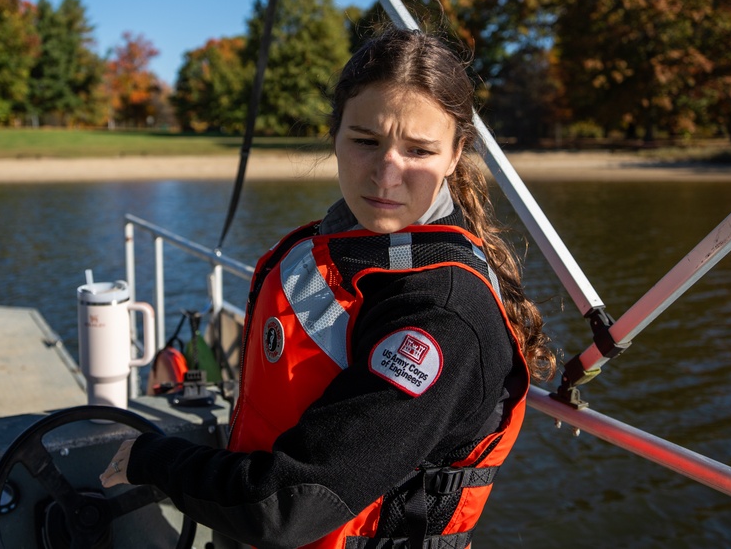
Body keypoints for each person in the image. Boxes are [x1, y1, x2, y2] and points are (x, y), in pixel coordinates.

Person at [100, 27, 555, 549]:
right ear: (334, 134)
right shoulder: (352, 248)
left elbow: (289, 505)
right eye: (366, 141)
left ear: (456, 156)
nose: (386, 175)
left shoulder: (442, 317)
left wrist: (152, 460)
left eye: (419, 151)